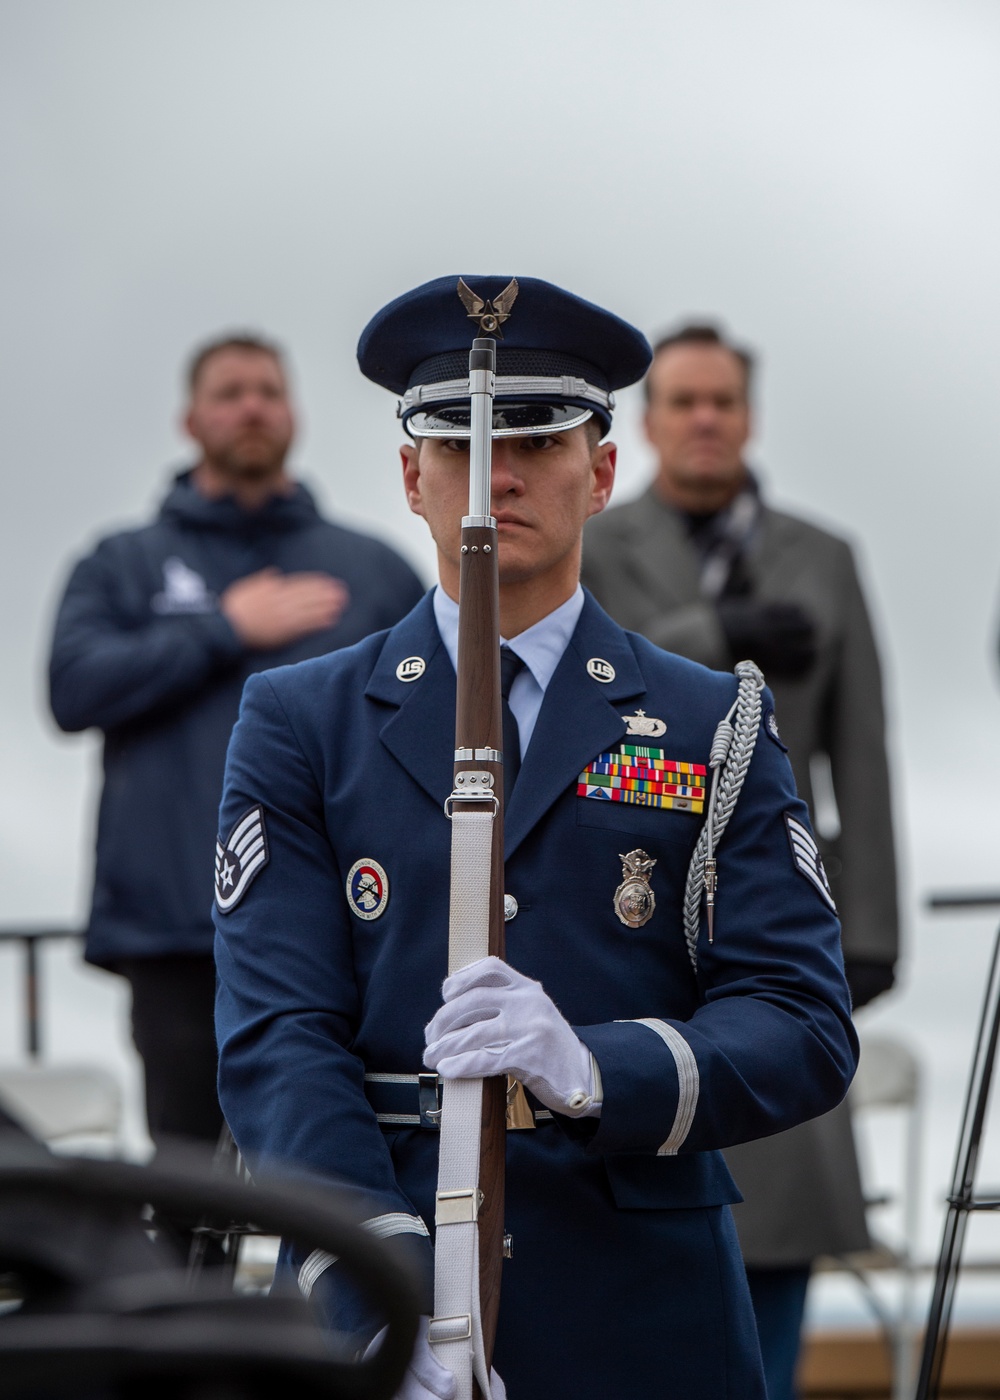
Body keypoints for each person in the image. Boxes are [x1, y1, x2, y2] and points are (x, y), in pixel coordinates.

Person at [213, 278, 859, 1400]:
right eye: (457, 444)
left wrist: (596, 1065)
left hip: (641, 1306)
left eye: (537, 438)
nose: (495, 474)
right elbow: (278, 1033)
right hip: (371, 1265)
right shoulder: (300, 721)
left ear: (601, 472)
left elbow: (802, 1021)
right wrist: (381, 1291)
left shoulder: (715, 719)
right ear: (412, 477)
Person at [582, 322, 899, 1400]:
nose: (705, 418)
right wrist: (707, 628)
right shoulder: (592, 544)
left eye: (722, 400)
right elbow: (588, 689)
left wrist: (869, 937)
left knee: (781, 1215)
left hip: (775, 917)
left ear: (747, 415)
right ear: (650, 419)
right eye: (682, 401)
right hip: (623, 904)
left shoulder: (826, 553)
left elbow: (863, 751)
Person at [49, 333, 425, 1153]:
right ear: (191, 417)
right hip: (177, 931)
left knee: (343, 1167)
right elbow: (71, 688)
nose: (251, 406)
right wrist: (224, 627)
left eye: (267, 390)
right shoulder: (123, 563)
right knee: (188, 1193)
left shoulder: (373, 570)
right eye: (229, 392)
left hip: (348, 928)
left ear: (293, 413)